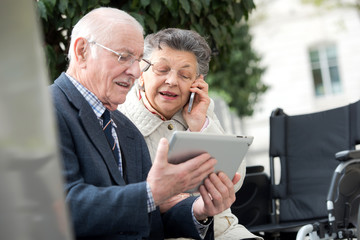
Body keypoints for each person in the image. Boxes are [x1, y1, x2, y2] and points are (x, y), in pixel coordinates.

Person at [49, 7, 240, 240]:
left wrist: (197, 211)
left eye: (138, 60)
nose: (135, 71)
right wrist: (151, 193)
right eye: (123, 57)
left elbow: (149, 221)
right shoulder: (45, 111)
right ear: (82, 51)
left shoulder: (124, 128)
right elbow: (59, 210)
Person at [118, 28, 262, 240]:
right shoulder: (120, 119)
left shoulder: (200, 109)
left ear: (197, 82)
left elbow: (234, 180)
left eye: (184, 75)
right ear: (141, 72)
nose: (172, 81)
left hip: (224, 231)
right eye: (162, 69)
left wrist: (200, 123)